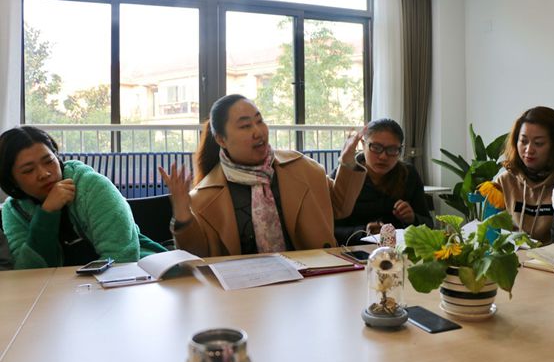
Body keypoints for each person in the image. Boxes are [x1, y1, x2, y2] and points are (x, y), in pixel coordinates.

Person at [160, 94, 367, 257]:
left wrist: (347, 164)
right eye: (245, 126)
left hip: (311, 280)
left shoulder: (302, 169)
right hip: (243, 291)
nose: (258, 132)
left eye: (260, 121)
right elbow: (196, 258)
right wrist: (183, 214)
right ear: (221, 139)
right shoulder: (204, 198)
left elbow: (339, 207)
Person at [0, 127, 166, 270]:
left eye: (49, 161)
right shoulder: (13, 211)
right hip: (62, 291)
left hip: (140, 275)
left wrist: (78, 290)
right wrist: (47, 213)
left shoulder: (92, 186)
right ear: (11, 179)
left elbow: (122, 256)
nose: (44, 173)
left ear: (57, 157)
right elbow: (27, 272)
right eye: (28, 170)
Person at [330, 118, 433, 244]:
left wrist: (412, 218)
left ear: (400, 150)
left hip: (398, 251)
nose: (383, 156)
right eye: (376, 147)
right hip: (352, 250)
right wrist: (364, 231)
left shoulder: (408, 175)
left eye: (392, 149)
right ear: (363, 145)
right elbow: (329, 229)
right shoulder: (345, 176)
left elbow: (429, 224)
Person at [496, 106, 554, 243]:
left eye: (538, 143)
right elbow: (491, 233)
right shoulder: (504, 182)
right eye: (523, 141)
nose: (529, 150)